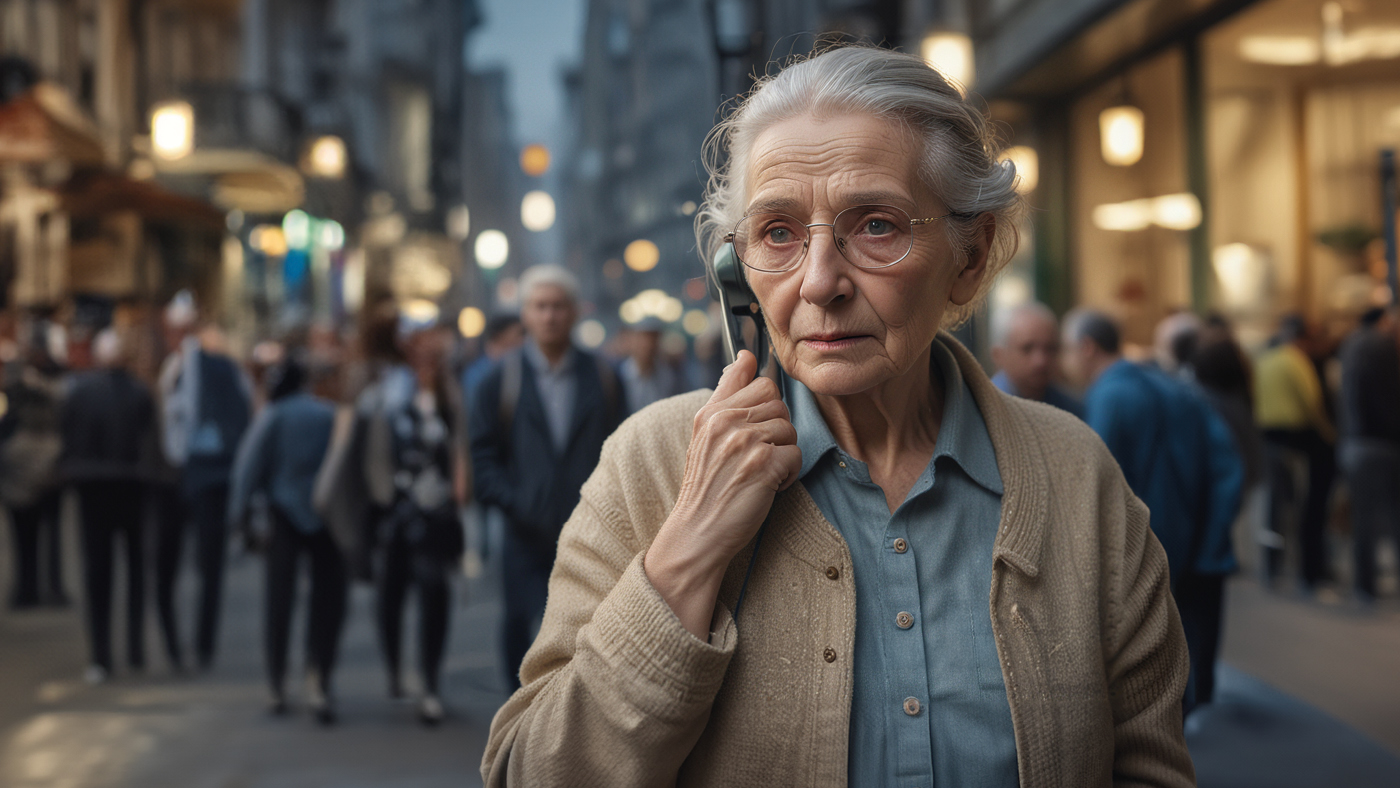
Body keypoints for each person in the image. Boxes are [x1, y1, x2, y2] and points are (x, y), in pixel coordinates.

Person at [482, 47, 1194, 787]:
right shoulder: (654, 464)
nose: (820, 283)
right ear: (739, 275)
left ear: (970, 255)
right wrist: (688, 550)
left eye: (877, 225)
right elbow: (529, 771)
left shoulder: (1077, 477)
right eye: (779, 234)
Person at [1063, 308, 1244, 713]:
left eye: (1066, 350)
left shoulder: (1109, 395)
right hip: (1193, 539)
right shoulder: (1165, 384)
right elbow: (1224, 459)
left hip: (1147, 546)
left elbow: (1098, 488)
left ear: (1087, 348)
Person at [470, 264, 629, 693]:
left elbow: (623, 449)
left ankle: (576, 710)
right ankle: (517, 712)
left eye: (558, 306)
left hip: (590, 531)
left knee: (590, 626)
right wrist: (517, 501)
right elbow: (481, 458)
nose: (549, 316)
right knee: (520, 623)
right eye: (540, 306)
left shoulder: (604, 377)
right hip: (524, 533)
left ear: (574, 312)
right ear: (524, 313)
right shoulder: (499, 381)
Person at [359, 312, 468, 725]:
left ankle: (430, 683)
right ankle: (394, 670)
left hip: (437, 509)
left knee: (434, 589)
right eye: (417, 340)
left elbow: (460, 442)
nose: (425, 348)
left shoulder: (449, 389)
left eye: (431, 340)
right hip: (394, 506)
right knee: (390, 593)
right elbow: (367, 444)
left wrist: (461, 489)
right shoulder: (383, 388)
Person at [228, 354, 346, 723]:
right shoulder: (328, 414)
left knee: (279, 600)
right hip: (326, 515)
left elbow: (248, 467)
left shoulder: (274, 415)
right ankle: (319, 678)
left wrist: (238, 515)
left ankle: (277, 682)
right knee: (326, 602)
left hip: (284, 515)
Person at [157, 293, 253, 671]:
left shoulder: (215, 369)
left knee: (204, 568)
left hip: (204, 476)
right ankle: (188, 647)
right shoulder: (174, 370)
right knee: (186, 568)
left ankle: (198, 647)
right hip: (186, 478)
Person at [60, 329, 157, 684]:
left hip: (94, 490)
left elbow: (68, 436)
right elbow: (149, 440)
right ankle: (135, 649)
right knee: (134, 572)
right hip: (131, 487)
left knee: (98, 574)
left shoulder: (81, 392)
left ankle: (101, 656)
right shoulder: (139, 392)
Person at [1254, 313, 1336, 592]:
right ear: (1303, 339)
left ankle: (1271, 565)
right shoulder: (1296, 361)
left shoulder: (1264, 360)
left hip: (1266, 439)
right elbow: (1312, 402)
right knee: (1301, 505)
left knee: (1273, 507)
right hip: (1296, 442)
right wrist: (1329, 435)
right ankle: (1304, 568)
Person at [1, 331, 68, 609]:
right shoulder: (22, 382)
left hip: (39, 467)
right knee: (31, 535)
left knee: (42, 534)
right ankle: (32, 588)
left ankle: (40, 588)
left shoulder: (39, 383)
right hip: (30, 468)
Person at [1337, 307, 1400, 604]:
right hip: (1380, 443)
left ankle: (1365, 586)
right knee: (1390, 515)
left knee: (1364, 519)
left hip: (1353, 443)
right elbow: (1388, 400)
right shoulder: (1382, 345)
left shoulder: (1352, 345)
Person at [988, 300, 1082, 417]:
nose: (1041, 361)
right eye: (1027, 349)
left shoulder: (1072, 410)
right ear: (999, 355)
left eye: (1050, 348)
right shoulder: (984, 409)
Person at [618, 318, 689, 413]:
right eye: (642, 338)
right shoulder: (618, 375)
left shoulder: (670, 375)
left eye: (653, 338)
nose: (647, 344)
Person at [461, 313, 524, 405]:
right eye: (519, 333)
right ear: (502, 335)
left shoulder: (515, 365)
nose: (523, 339)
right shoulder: (478, 373)